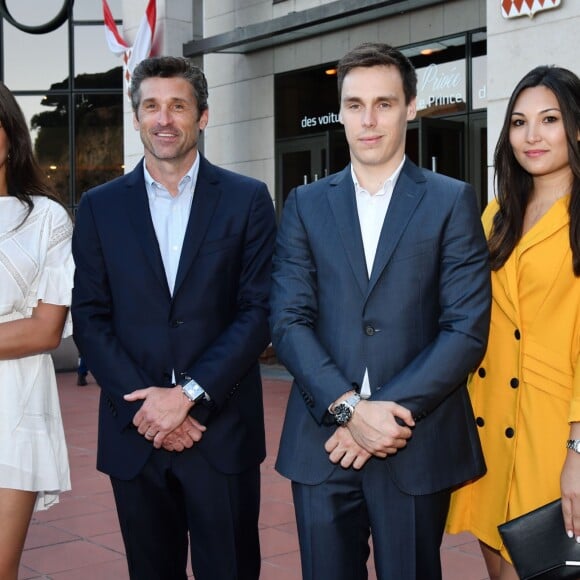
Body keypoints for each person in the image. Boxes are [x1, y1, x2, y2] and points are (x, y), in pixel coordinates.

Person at [270, 42, 491, 580]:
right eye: (355, 104)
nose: (368, 121)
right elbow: (288, 319)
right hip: (324, 441)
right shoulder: (304, 203)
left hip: (414, 441)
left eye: (385, 104)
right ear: (340, 110)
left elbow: (465, 329)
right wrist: (349, 410)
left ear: (411, 107)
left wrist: (379, 417)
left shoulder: (451, 199)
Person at [71, 56, 276, 580]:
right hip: (134, 433)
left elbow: (258, 312)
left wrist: (186, 399)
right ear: (136, 117)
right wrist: (151, 409)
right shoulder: (98, 207)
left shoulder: (247, 200)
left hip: (220, 431)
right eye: (152, 107)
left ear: (202, 116)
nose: (164, 119)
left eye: (178, 106)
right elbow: (91, 319)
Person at [446, 66, 580, 579]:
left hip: (556, 437)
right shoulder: (496, 212)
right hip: (489, 430)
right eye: (520, 122)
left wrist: (577, 451)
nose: (532, 135)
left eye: (549, 119)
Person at [0, 82, 73, 579]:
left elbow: (46, 331)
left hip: (16, 407)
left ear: (10, 133)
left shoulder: (47, 217)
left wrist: (25, 326)